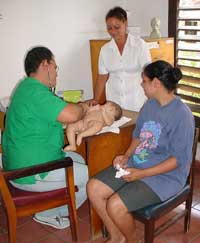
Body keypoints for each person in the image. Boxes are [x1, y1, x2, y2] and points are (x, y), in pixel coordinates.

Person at [87, 60, 195, 243]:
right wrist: (127, 156)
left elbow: (178, 161)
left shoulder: (181, 114)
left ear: (156, 83)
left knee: (115, 205)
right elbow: (138, 136)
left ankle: (132, 240)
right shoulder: (150, 105)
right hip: (138, 164)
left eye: (144, 81)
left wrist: (142, 173)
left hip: (166, 176)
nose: (141, 84)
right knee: (94, 188)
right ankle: (117, 236)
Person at [2, 46, 89, 229]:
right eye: (55, 67)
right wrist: (84, 107)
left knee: (78, 159)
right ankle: (49, 214)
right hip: (29, 172)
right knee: (87, 174)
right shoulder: (35, 92)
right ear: (45, 65)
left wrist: (77, 108)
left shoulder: (27, 88)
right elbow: (71, 115)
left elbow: (54, 113)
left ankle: (53, 207)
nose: (56, 73)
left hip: (21, 162)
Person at [89, 6, 151, 112]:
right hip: (114, 104)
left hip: (138, 102)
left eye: (117, 27)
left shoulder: (140, 45)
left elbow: (149, 74)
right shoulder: (105, 50)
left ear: (125, 23)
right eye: (109, 28)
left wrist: (152, 101)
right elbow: (102, 78)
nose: (113, 31)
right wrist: (96, 100)